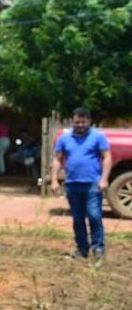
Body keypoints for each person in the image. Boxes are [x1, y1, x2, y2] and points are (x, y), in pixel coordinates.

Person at [51, 107, 111, 265]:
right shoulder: (64, 138)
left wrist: (104, 179)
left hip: (92, 183)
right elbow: (57, 159)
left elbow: (106, 157)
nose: (80, 125)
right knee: (77, 219)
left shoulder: (98, 137)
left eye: (83, 122)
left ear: (89, 121)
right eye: (77, 122)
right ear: (73, 121)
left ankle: (98, 247)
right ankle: (82, 248)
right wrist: (54, 180)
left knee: (94, 216)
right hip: (72, 184)